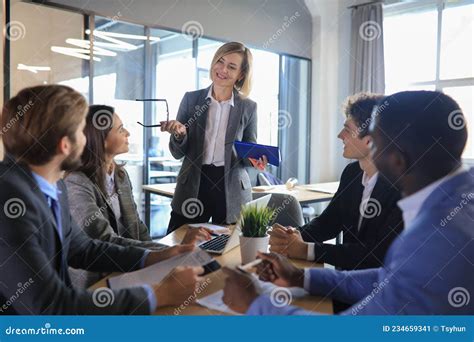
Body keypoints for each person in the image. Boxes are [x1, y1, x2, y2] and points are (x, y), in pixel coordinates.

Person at [222, 90, 474, 315]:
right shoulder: (456, 198)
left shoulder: (438, 238)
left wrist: (255, 304)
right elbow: (387, 279)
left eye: (377, 141)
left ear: (397, 160)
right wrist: (302, 277)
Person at [0, 85, 203, 314]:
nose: (86, 139)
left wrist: (155, 256)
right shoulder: (10, 200)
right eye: (80, 131)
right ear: (65, 145)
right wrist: (159, 294)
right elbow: (50, 305)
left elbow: (83, 249)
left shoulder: (53, 185)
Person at [64, 105, 213, 287]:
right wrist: (165, 253)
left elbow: (137, 228)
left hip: (126, 269)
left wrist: (165, 259)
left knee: (203, 274)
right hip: (95, 280)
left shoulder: (120, 175)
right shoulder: (76, 182)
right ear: (101, 140)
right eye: (120, 129)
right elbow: (104, 239)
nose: (128, 133)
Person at [269, 94, 403, 272]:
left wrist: (306, 250)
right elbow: (329, 222)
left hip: (377, 291)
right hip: (343, 282)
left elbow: (376, 254)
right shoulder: (352, 173)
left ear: (369, 140)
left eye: (347, 130)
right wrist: (293, 235)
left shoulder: (399, 186)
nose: (340, 136)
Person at [160, 42, 267, 233]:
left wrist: (256, 160)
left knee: (226, 249)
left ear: (241, 75)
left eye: (232, 67)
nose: (223, 69)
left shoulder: (248, 107)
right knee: (177, 244)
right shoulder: (191, 99)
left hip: (231, 187)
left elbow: (248, 149)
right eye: (220, 61)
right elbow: (177, 153)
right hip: (194, 183)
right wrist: (180, 135)